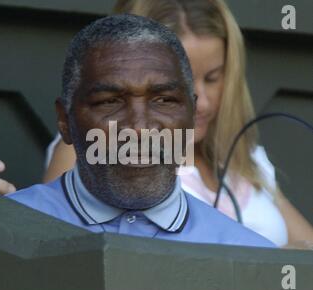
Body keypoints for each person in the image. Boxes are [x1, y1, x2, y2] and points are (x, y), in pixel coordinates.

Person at [43, 0, 313, 248]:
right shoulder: (92, 146)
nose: (202, 102)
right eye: (181, 83)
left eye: (212, 77)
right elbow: (65, 251)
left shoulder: (246, 159)